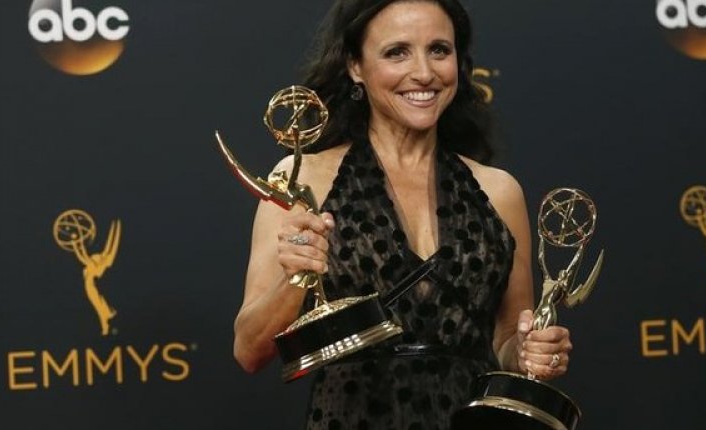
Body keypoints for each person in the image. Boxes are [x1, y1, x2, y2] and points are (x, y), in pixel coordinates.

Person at [233, 0, 573, 428]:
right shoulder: (304, 181)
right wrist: (294, 276)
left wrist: (529, 352)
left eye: (439, 50)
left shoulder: (498, 190)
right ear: (355, 65)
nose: (425, 73)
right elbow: (249, 350)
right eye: (397, 52)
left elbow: (505, 339)